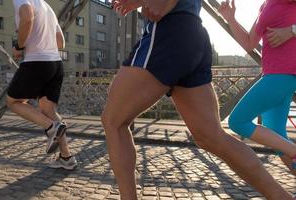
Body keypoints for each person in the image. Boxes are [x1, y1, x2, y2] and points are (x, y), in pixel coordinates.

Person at [102, 0, 295, 199]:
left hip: (168, 33)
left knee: (114, 121)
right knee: (212, 137)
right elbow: (248, 42)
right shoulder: (267, 6)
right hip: (193, 33)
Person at [219, 0, 296, 175]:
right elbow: (249, 43)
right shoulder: (266, 4)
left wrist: (291, 31)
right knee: (275, 134)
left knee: (237, 121)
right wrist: (231, 19)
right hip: (273, 74)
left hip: (286, 73)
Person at [7, 0, 77, 170]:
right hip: (56, 64)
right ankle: (66, 157)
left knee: (13, 102)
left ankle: (50, 127)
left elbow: (27, 18)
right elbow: (61, 42)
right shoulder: (46, 7)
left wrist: (19, 46)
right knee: (49, 110)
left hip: (36, 61)